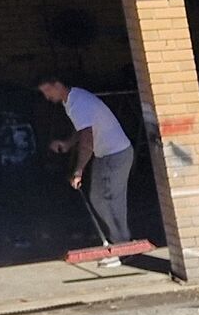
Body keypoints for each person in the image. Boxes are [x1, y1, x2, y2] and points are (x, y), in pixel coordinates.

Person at [37, 73, 138, 269]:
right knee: (98, 198)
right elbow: (83, 129)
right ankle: (118, 244)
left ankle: (123, 249)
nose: (47, 97)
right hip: (105, 154)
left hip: (115, 155)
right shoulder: (73, 100)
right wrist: (67, 144)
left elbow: (87, 140)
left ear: (57, 84)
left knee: (110, 200)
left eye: (48, 91)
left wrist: (78, 171)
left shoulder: (78, 103)